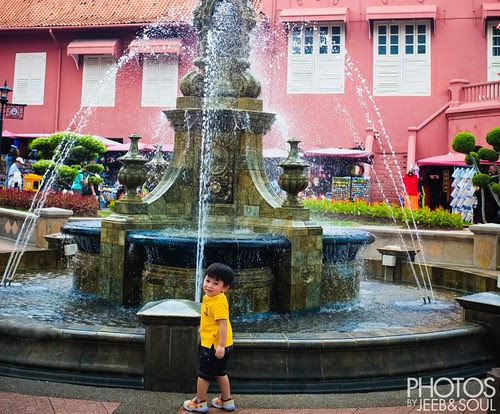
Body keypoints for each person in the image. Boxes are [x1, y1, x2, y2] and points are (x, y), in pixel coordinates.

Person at [183, 263, 236, 413]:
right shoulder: (212, 298)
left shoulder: (218, 302)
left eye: (215, 283)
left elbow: (223, 324)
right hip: (221, 343)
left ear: (225, 288)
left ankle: (199, 402)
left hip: (214, 346)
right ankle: (226, 400)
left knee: (203, 374)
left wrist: (220, 345)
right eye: (207, 280)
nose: (209, 285)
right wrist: (204, 328)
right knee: (220, 372)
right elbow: (211, 320)